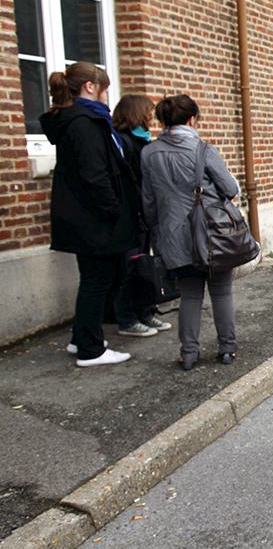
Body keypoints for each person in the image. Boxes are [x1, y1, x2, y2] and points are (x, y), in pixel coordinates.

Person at [41, 63, 138, 367]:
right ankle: (90, 349)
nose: (108, 95)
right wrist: (113, 208)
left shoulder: (76, 120)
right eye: (105, 88)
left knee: (94, 280)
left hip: (85, 216)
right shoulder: (85, 122)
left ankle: (81, 337)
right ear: (90, 87)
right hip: (94, 218)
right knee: (98, 281)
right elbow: (95, 174)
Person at [140, 95, 241, 371]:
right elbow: (230, 190)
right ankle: (227, 349)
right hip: (210, 234)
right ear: (192, 119)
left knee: (189, 295)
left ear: (163, 121)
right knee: (221, 292)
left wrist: (157, 232)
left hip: (172, 235)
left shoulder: (149, 153)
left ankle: (188, 354)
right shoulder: (203, 149)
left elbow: (148, 202)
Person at [112, 94, 172, 338]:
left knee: (144, 267)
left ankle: (145, 311)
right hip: (131, 215)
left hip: (144, 215)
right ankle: (127, 319)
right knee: (129, 268)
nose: (152, 117)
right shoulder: (126, 143)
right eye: (148, 112)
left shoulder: (143, 141)